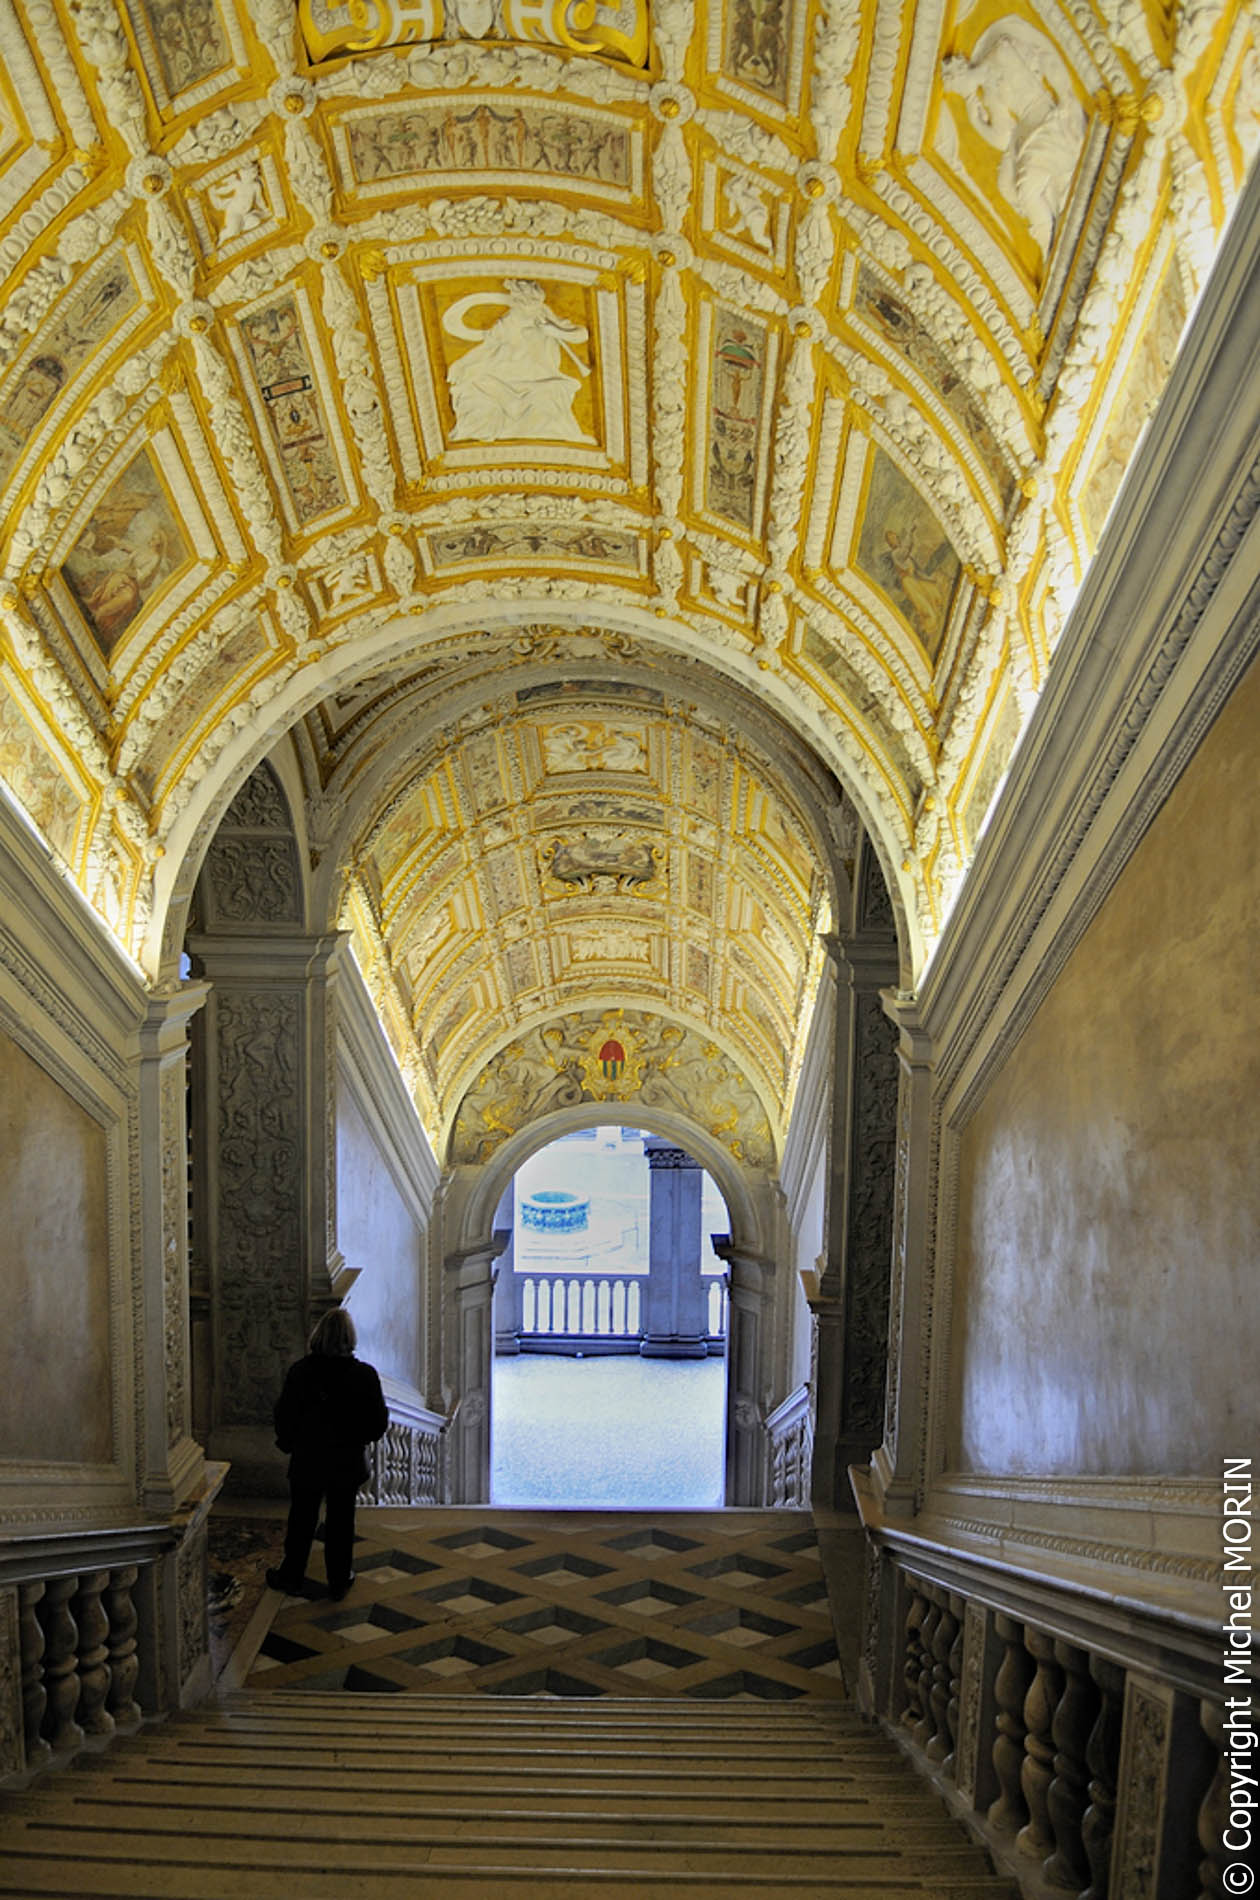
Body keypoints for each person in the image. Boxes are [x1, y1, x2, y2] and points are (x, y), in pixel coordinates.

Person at [266, 1309, 388, 1601]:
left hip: (308, 1458)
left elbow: (284, 1415)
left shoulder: (300, 1371)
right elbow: (377, 1423)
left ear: (318, 1336)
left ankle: (292, 1575)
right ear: (349, 1338)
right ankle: (338, 1580)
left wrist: (290, 1443)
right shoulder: (364, 1375)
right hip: (346, 1461)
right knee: (342, 1522)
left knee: (301, 1519)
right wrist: (357, 1439)